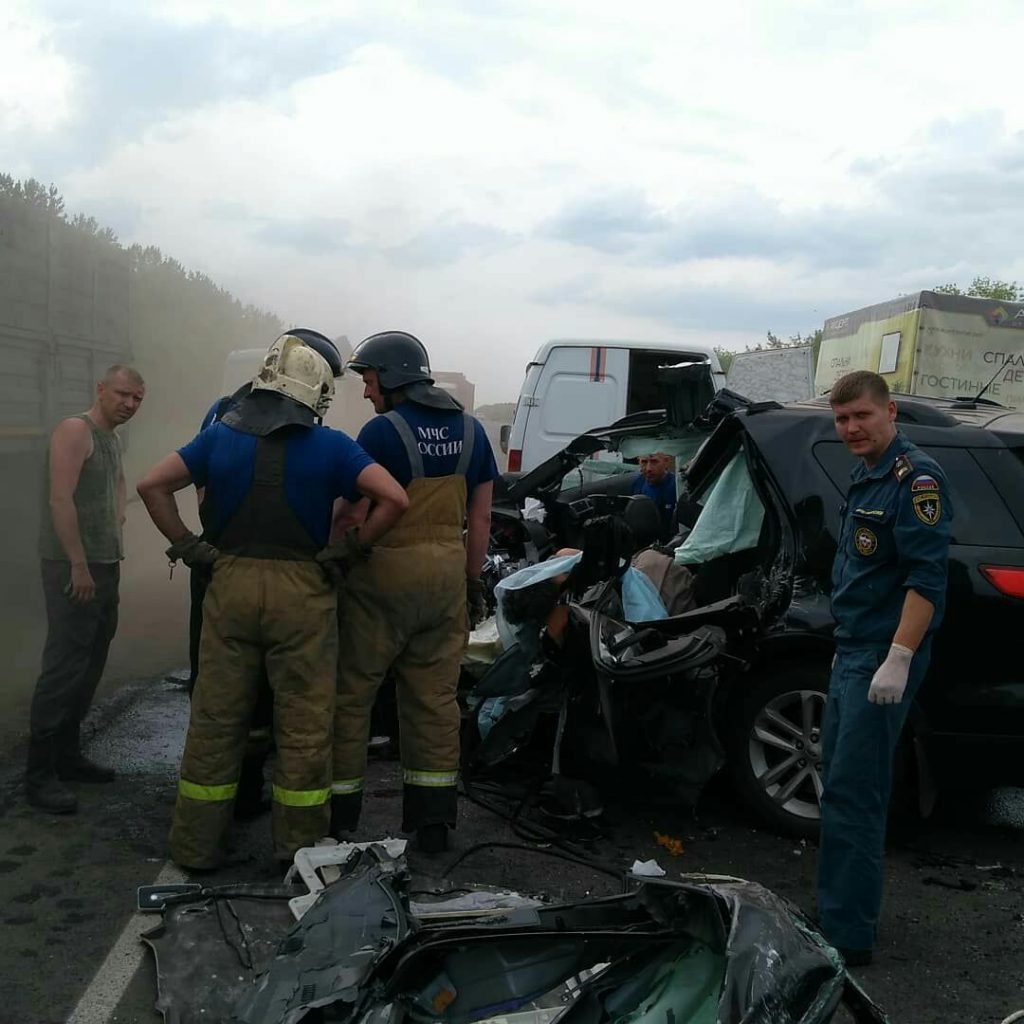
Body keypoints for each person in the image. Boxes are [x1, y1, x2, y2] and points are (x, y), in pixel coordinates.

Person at [137, 332, 408, 870]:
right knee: (304, 726)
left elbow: (151, 486)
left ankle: (196, 847)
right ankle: (298, 851)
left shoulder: (218, 437)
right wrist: (348, 550)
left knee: (217, 720)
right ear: (318, 391)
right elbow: (394, 498)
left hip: (229, 584)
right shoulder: (331, 445)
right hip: (304, 592)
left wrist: (191, 548)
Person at [328, 330, 498, 854]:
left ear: (394, 378)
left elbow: (354, 511)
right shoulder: (473, 433)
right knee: (434, 701)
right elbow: (482, 516)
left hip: (384, 578)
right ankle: (432, 823)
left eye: (369, 379)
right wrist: (471, 583)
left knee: (351, 695)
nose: (365, 391)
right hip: (446, 576)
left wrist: (338, 554)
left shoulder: (380, 434)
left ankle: (340, 817)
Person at [817, 370, 952, 966]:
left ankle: (847, 937)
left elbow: (927, 581)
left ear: (889, 411)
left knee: (857, 795)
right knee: (838, 787)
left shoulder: (916, 479)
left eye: (861, 416)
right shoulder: (868, 473)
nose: (851, 428)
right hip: (852, 648)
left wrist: (897, 660)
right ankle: (834, 914)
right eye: (842, 419)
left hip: (878, 655)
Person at [186, 329, 345, 818]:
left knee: (218, 696)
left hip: (221, 568)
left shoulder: (222, 414)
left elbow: (196, 490)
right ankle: (263, 798)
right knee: (285, 703)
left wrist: (199, 548)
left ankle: (220, 807)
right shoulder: (314, 435)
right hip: (285, 574)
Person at [27, 365, 146, 814]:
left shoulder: (111, 438)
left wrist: (117, 515)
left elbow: (117, 482)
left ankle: (68, 756)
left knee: (90, 662)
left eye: (137, 399)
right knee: (63, 666)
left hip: (103, 566)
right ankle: (39, 776)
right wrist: (77, 563)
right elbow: (60, 498)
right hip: (71, 567)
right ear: (100, 389)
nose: (129, 404)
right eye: (122, 394)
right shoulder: (75, 430)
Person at [630, 452, 677, 540]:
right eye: (644, 462)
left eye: (654, 462)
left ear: (666, 462)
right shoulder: (637, 483)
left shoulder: (676, 486)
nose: (648, 469)